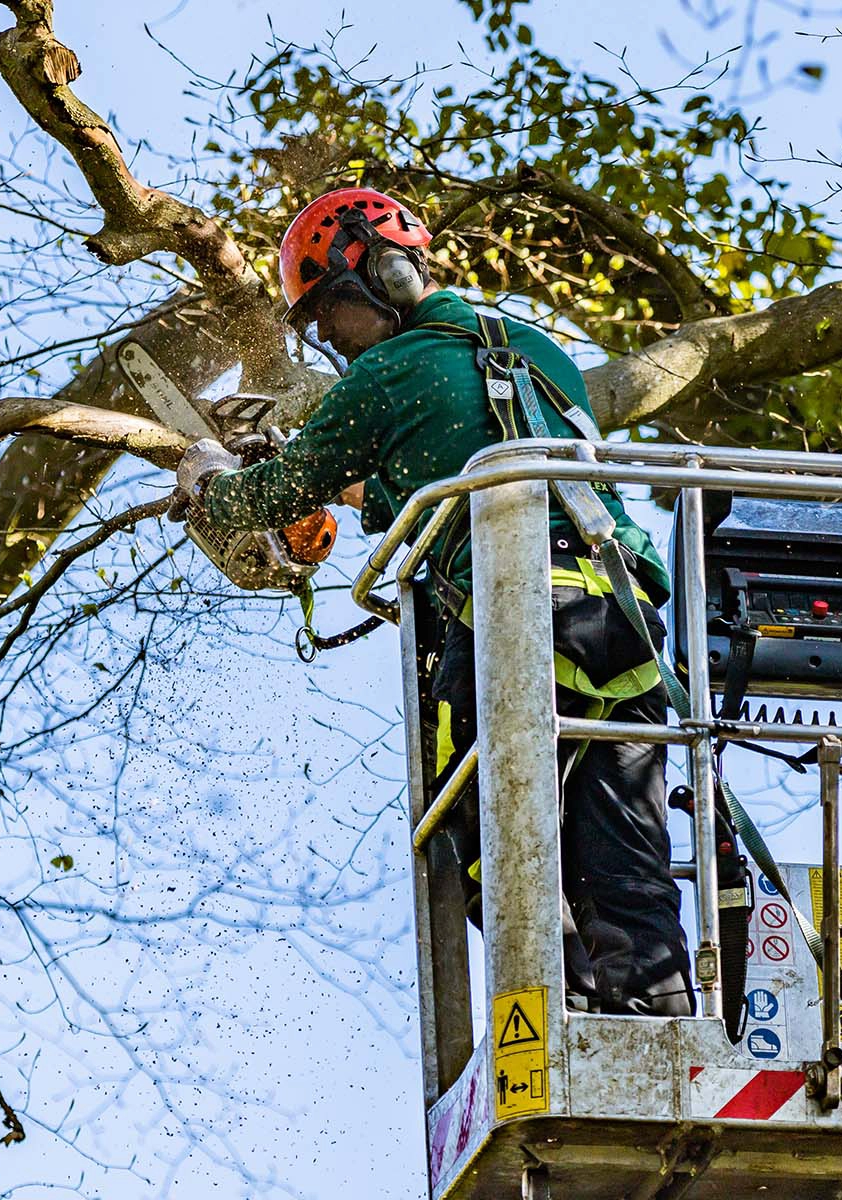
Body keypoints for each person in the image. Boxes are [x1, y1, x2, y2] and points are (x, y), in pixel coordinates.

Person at [177, 187, 693, 1016]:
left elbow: (269, 496)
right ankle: (655, 1021)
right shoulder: (537, 349)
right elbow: (462, 452)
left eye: (332, 316)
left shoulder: (389, 371)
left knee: (490, 844)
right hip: (621, 616)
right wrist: (368, 490)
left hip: (507, 616)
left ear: (382, 272)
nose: (335, 341)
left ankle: (562, 1022)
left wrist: (209, 482)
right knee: (626, 850)